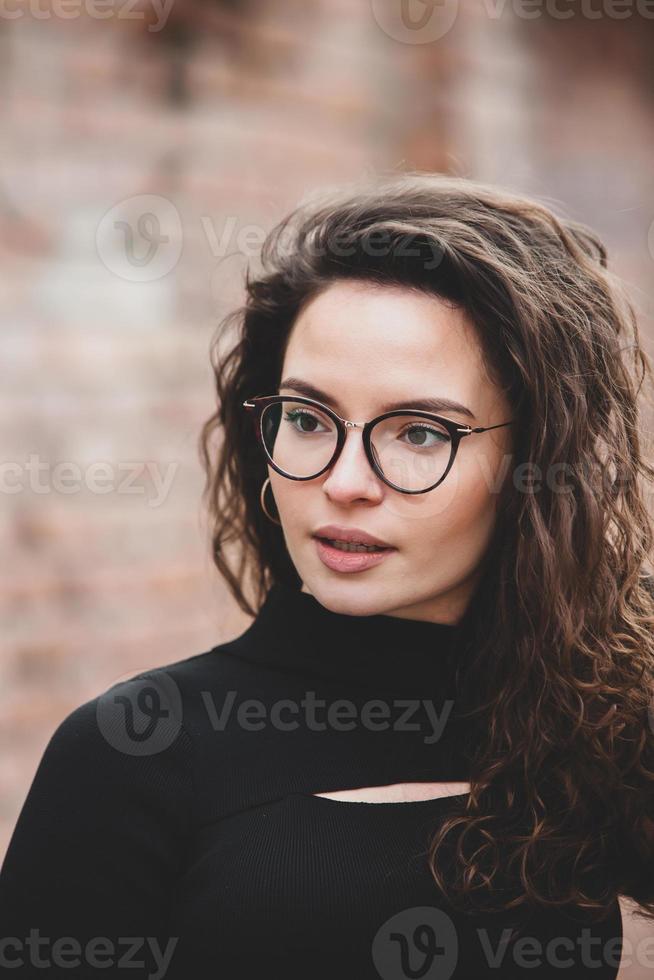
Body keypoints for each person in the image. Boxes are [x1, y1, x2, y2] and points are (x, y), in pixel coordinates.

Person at [2, 171, 654, 979]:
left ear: (532, 460)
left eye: (419, 433)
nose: (345, 480)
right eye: (309, 419)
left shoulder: (600, 729)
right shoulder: (135, 753)